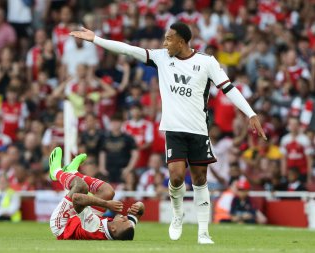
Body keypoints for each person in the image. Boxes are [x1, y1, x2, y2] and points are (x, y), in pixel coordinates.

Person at [70, 22, 267, 244]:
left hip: (199, 130)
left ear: (181, 41)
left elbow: (229, 88)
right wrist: (96, 39)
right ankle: (177, 216)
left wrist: (250, 114)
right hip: (174, 129)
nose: (164, 43)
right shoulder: (162, 57)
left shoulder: (206, 62)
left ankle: (203, 232)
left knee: (200, 179)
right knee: (175, 177)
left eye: (168, 39)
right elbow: (128, 49)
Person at [48, 147, 145, 240]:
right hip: (82, 219)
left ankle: (56, 172)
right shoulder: (124, 228)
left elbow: (77, 198)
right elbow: (139, 210)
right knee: (108, 192)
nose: (125, 217)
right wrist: (139, 207)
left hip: (64, 225)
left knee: (81, 187)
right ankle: (72, 172)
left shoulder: (94, 227)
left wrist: (106, 204)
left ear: (113, 229)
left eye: (124, 220)